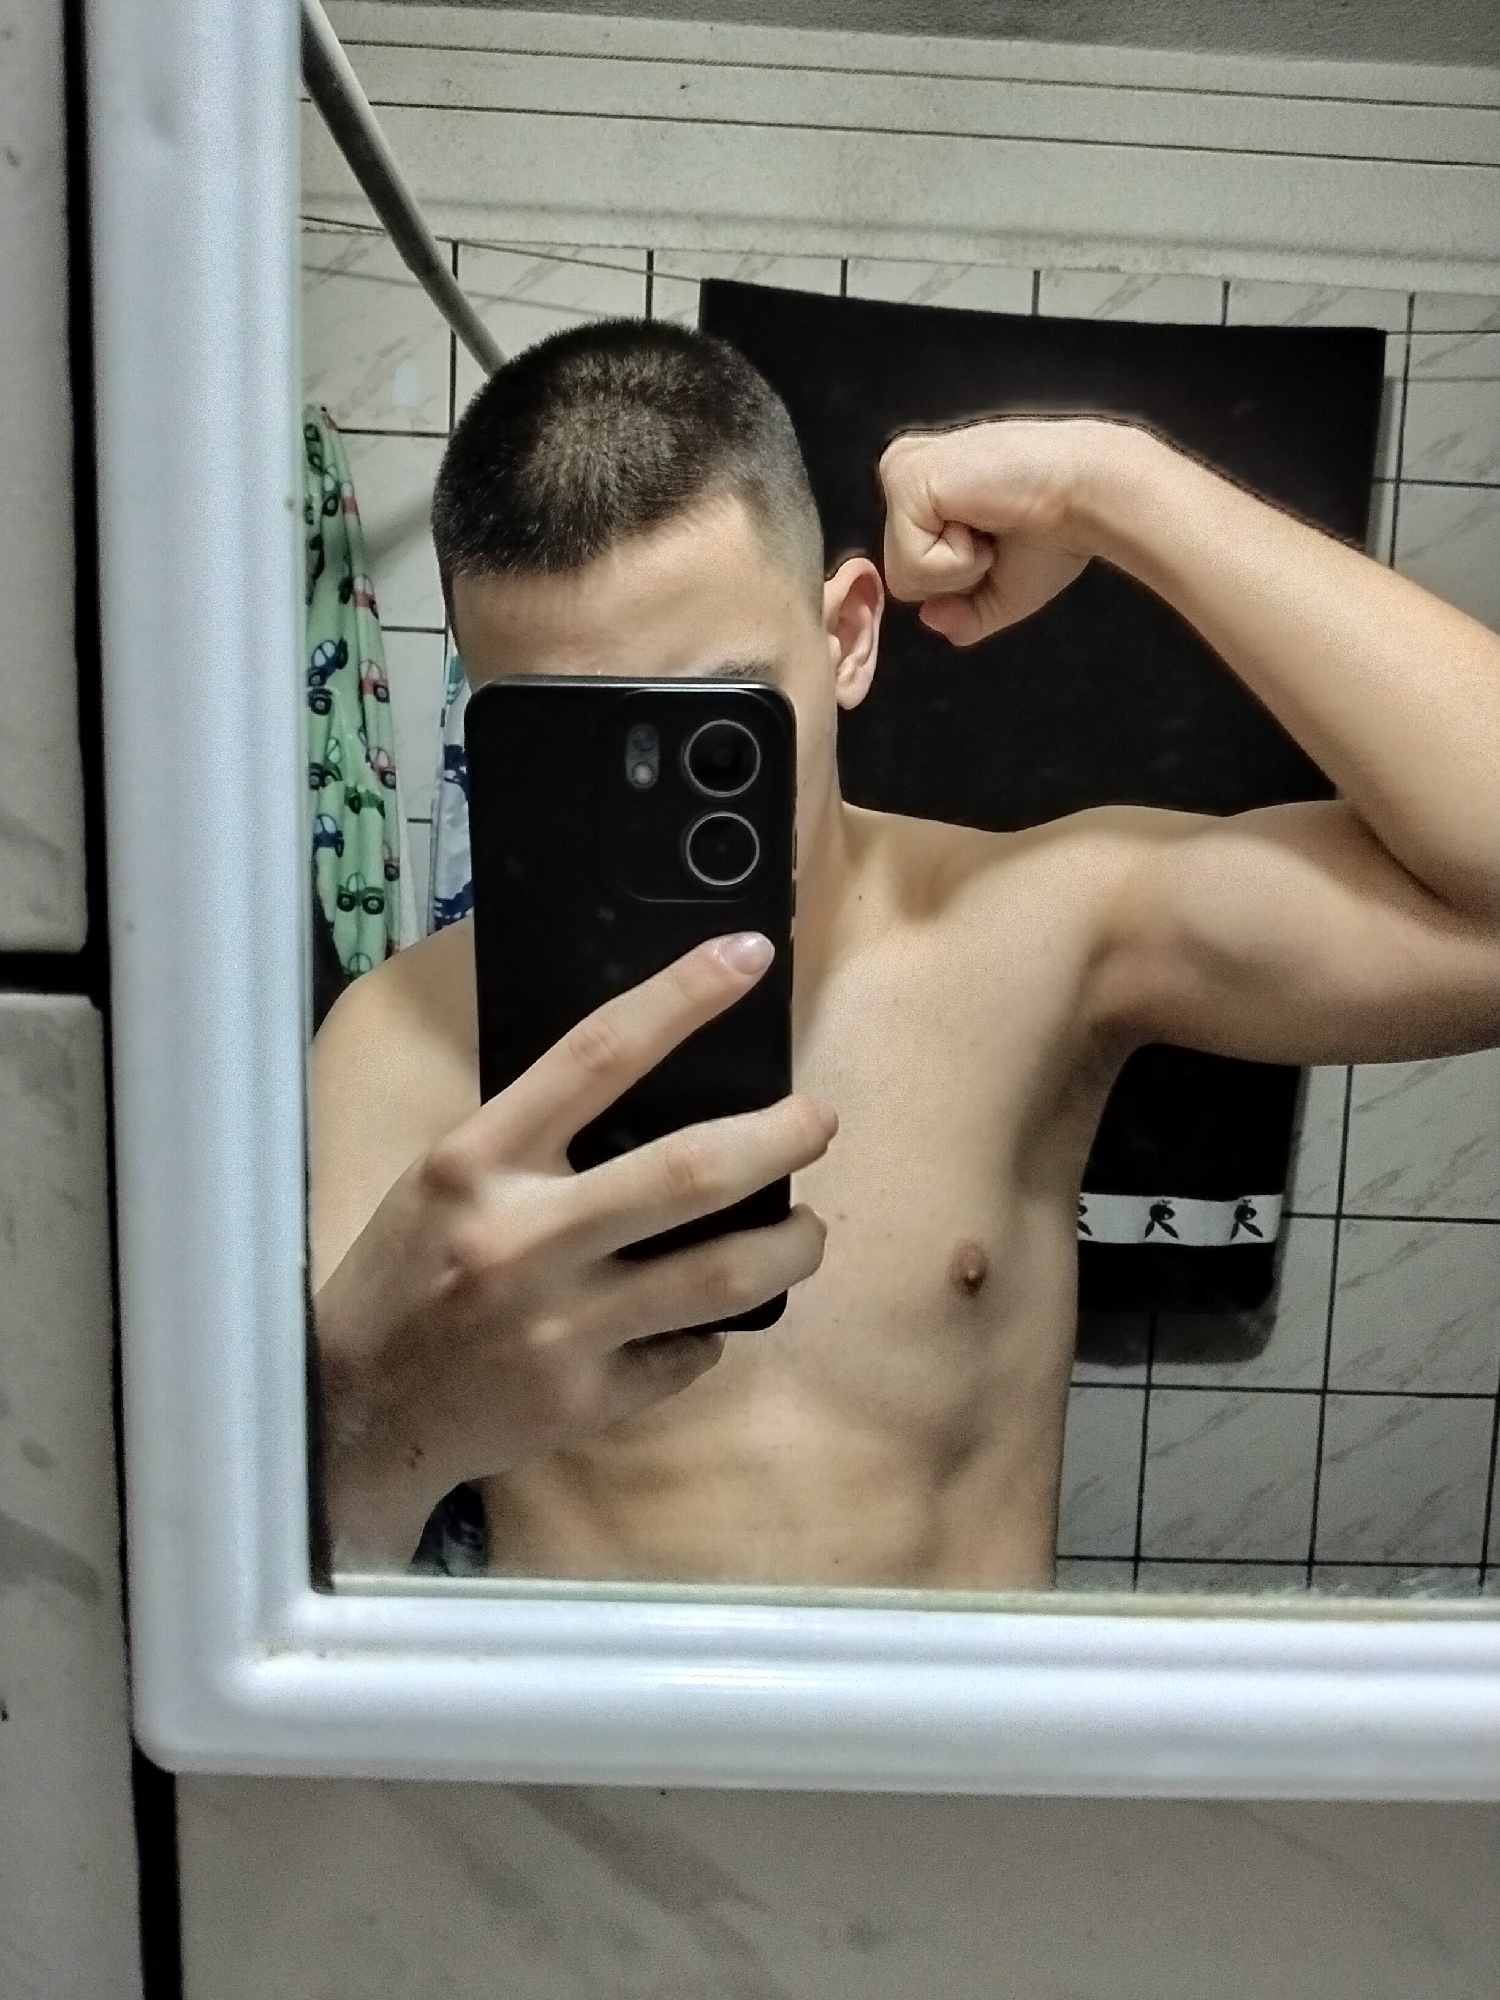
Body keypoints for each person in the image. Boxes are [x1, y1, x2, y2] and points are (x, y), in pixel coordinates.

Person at [311, 320, 1500, 1585]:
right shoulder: (404, 1040)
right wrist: (374, 1414)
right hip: (578, 1726)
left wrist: (1110, 483)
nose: (639, 806)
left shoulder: (1036, 934)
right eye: (564, 741)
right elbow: (302, 1564)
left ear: (848, 637)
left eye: (716, 729)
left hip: (960, 1724)